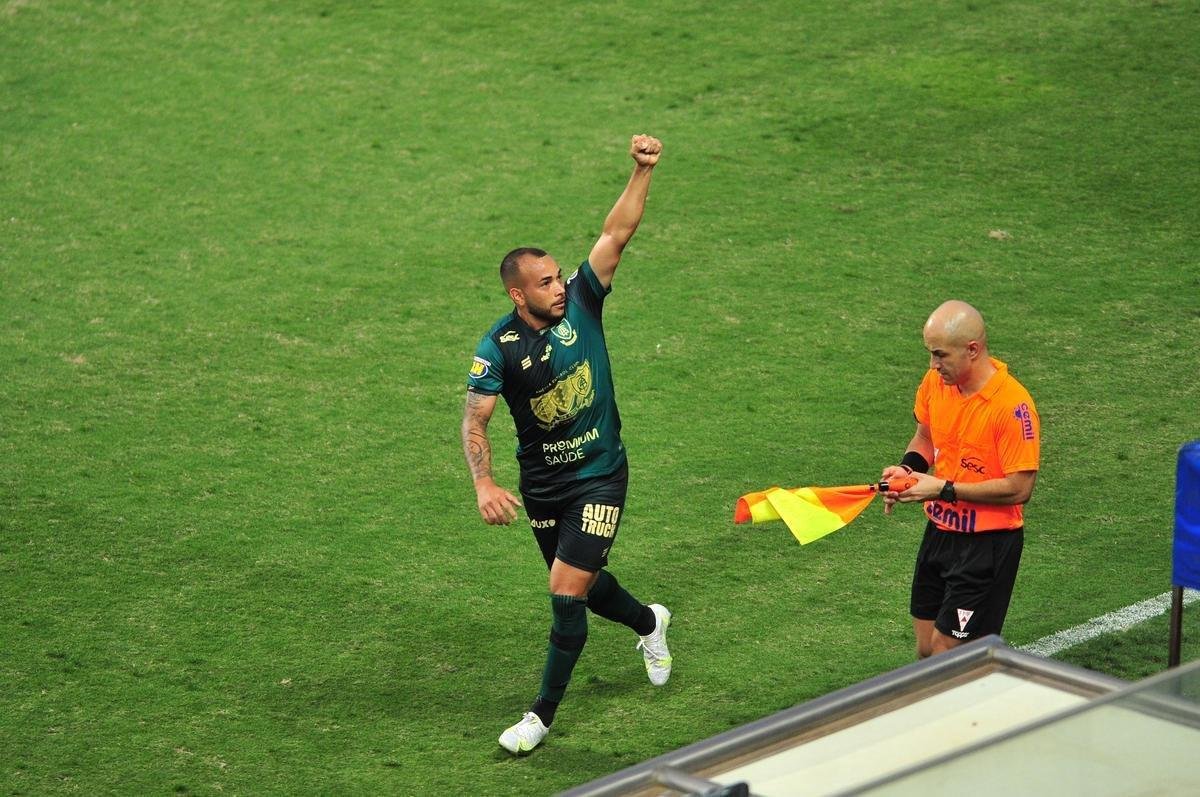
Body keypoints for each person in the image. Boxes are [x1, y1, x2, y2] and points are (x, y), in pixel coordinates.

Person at [461, 135, 672, 755]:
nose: (558, 288)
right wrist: (483, 482)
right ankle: (650, 622)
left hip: (601, 474)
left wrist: (640, 171)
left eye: (558, 277)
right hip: (545, 486)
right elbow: (476, 421)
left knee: (563, 593)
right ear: (516, 294)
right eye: (544, 283)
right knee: (582, 581)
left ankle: (540, 716)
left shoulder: (584, 299)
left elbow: (615, 236)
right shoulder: (496, 349)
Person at [880, 300, 1040, 659]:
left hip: (987, 547)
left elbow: (1020, 487)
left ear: (972, 349)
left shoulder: (1012, 407)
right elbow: (925, 436)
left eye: (940, 355)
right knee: (926, 650)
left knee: (947, 655)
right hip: (939, 536)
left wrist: (943, 489)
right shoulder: (937, 383)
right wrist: (907, 469)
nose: (933, 365)